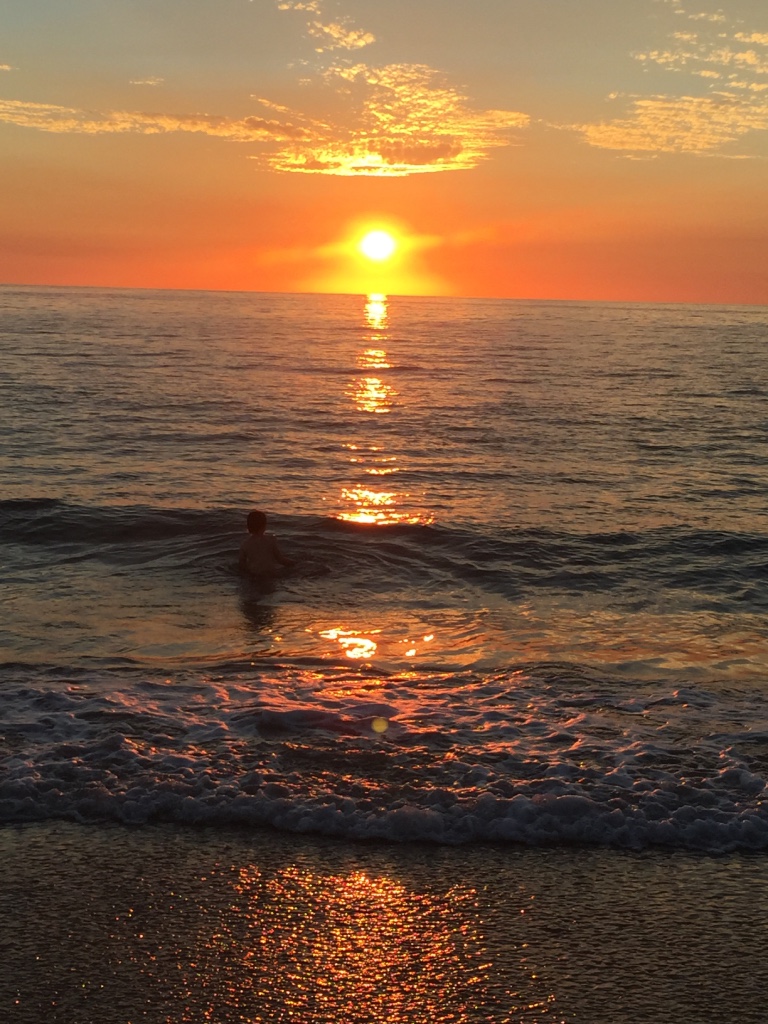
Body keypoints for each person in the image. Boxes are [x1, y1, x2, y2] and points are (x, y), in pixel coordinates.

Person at [238, 510, 296, 579]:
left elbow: (242, 564)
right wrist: (294, 563)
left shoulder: (245, 544)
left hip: (255, 575)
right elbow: (280, 559)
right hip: (271, 574)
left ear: (248, 526)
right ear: (264, 526)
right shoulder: (271, 540)